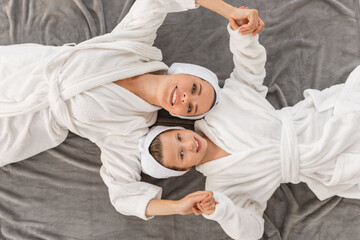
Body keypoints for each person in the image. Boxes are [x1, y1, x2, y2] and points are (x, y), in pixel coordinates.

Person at [0, 0, 264, 220]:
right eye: (194, 87)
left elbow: (123, 195)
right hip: (22, 70)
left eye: (191, 107)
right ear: (185, 72)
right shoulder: (135, 44)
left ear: (181, 117)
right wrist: (230, 12)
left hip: (24, 129)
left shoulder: (130, 130)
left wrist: (176, 207)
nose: (185, 97)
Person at [141, 15, 360, 239]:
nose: (188, 145)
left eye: (179, 138)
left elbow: (248, 72)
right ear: (183, 170)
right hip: (325, 165)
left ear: (181, 128)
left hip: (319, 120)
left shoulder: (220, 108)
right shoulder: (220, 188)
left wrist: (243, 39)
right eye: (180, 155)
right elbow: (252, 231)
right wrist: (223, 211)